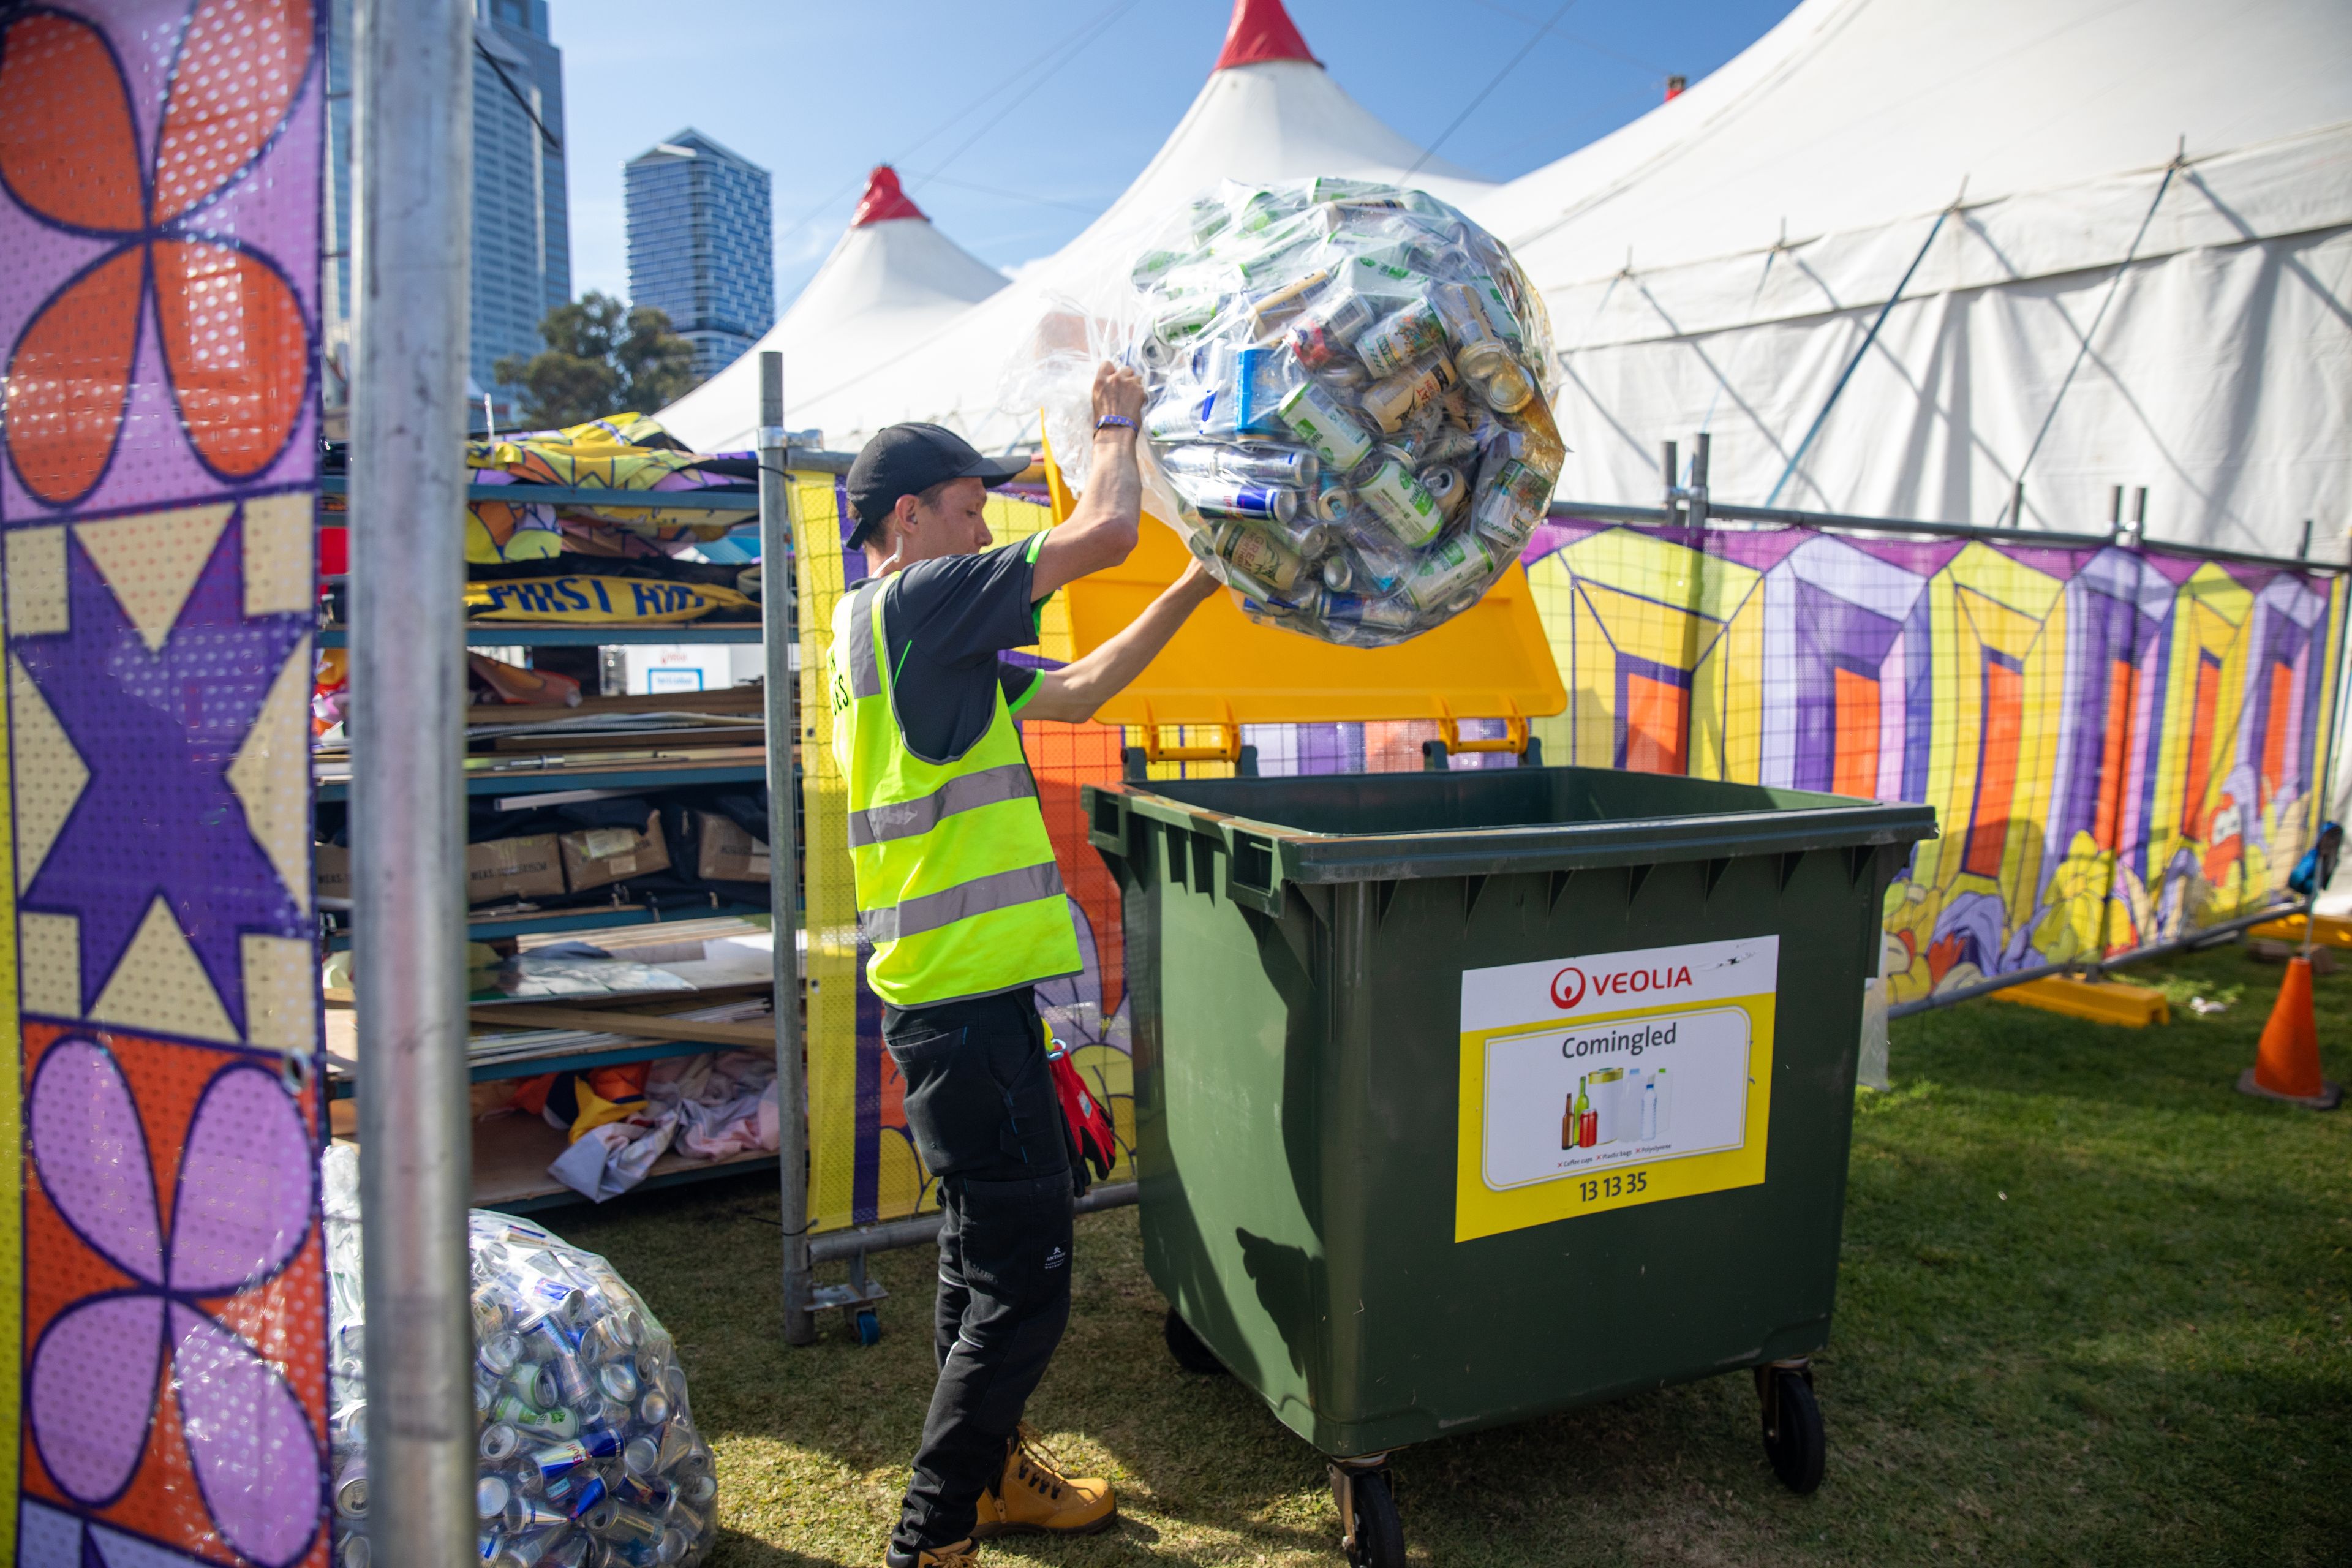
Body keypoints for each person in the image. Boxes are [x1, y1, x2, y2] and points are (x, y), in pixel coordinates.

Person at [828, 364, 1220, 1568]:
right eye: (965, 502)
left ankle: (991, 1478)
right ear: (906, 519)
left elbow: (1086, 685)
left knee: (979, 1251)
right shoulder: (917, 604)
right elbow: (1100, 532)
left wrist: (1204, 581)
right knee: (1029, 1279)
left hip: (957, 1002)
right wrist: (1118, 421)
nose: (983, 522)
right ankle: (933, 1529)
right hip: (962, 1007)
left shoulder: (911, 641)